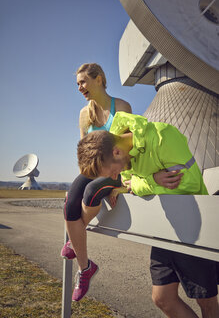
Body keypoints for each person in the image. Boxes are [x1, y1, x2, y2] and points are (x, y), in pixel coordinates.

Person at [77, 111, 219, 318]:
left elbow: (186, 184)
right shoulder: (123, 156)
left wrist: (142, 183)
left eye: (112, 173)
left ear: (116, 152)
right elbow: (131, 184)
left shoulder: (163, 136)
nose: (115, 177)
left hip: (192, 230)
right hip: (163, 232)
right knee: (162, 298)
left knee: (206, 302)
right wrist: (143, 183)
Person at [61, 63, 133, 302]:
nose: (80, 87)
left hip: (115, 171)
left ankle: (74, 238)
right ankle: (86, 269)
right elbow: (84, 154)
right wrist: (78, 182)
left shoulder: (121, 107)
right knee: (71, 201)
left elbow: (131, 148)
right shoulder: (84, 114)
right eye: (77, 84)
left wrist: (123, 185)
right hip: (93, 170)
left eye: (83, 82)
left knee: (92, 191)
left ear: (99, 79)